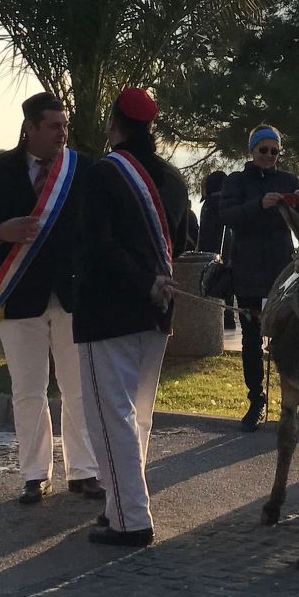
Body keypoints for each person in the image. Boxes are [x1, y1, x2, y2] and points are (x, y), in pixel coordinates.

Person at [0, 92, 99, 504]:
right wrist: (1, 231)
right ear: (30, 128)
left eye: (65, 125)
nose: (63, 134)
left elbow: (96, 228)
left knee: (77, 387)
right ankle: (35, 473)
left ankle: (83, 470)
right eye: (54, 126)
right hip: (18, 293)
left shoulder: (82, 169)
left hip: (72, 293)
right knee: (28, 389)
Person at [74, 88, 195, 547]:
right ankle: (121, 505)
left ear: (114, 124)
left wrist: (139, 279)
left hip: (108, 311)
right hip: (159, 309)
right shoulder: (174, 178)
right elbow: (180, 242)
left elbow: (96, 247)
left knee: (110, 417)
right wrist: (153, 280)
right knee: (137, 416)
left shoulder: (104, 175)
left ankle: (130, 517)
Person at [217, 125, 299, 430]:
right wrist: (258, 205)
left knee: (292, 334)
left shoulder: (287, 179)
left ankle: (298, 399)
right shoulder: (236, 181)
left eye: (275, 151)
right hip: (248, 269)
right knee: (250, 339)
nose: (269, 156)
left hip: (282, 270)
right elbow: (226, 216)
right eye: (264, 150)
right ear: (252, 151)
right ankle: (256, 400)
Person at [195, 168, 236, 332]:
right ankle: (229, 318)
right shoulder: (227, 201)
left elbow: (205, 231)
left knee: (211, 283)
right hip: (229, 247)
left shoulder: (210, 203)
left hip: (212, 249)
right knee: (227, 284)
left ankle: (212, 319)